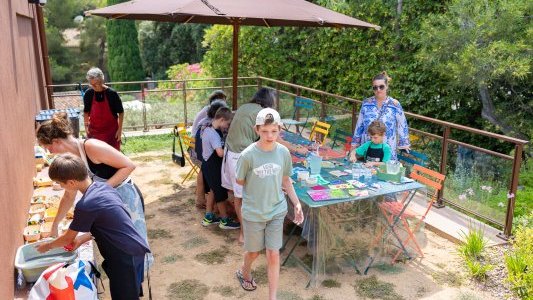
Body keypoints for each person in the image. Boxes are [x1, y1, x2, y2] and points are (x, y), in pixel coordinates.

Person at [36, 112, 153, 270]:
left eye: (48, 147)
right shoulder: (71, 159)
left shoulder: (91, 147)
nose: (49, 153)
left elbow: (129, 165)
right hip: (106, 199)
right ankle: (130, 280)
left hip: (125, 196)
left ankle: (137, 279)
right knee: (116, 246)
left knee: (132, 245)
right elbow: (68, 195)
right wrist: (55, 224)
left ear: (56, 141)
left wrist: (100, 191)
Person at [36, 154, 150, 299]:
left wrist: (47, 246)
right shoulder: (103, 188)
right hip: (131, 249)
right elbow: (109, 225)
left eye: (61, 184)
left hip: (124, 256)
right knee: (128, 293)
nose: (61, 187)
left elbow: (66, 239)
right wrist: (82, 239)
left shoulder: (86, 205)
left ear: (71, 183)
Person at [222, 88, 308, 243]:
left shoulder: (244, 107)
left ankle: (248, 233)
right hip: (241, 156)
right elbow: (277, 140)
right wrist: (297, 148)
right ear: (269, 102)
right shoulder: (262, 114)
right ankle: (246, 234)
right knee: (245, 197)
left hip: (230, 153)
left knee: (239, 196)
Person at [235, 108, 304, 298]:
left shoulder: (283, 153)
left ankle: (272, 297)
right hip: (254, 212)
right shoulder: (247, 155)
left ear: (280, 129)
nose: (269, 135)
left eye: (274, 131)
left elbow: (286, 180)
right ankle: (244, 271)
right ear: (256, 129)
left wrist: (296, 203)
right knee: (254, 252)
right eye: (264, 131)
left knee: (273, 253)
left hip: (276, 210)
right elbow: (240, 181)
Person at [351, 71, 410, 160]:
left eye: (381, 87)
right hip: (369, 145)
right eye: (375, 87)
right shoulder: (366, 103)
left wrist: (404, 143)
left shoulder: (394, 104)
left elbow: (402, 124)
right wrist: (355, 144)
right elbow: (360, 124)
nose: (378, 90)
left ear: (387, 86)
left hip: (387, 146)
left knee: (384, 170)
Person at [200, 106, 240, 229]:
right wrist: (230, 148)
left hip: (207, 165)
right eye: (227, 124)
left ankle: (209, 216)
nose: (227, 127)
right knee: (220, 193)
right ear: (222, 119)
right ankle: (224, 220)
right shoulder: (213, 134)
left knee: (213, 189)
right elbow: (220, 153)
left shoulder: (207, 127)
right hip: (212, 166)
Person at [193, 99, 229, 209]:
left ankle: (207, 209)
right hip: (208, 162)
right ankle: (222, 214)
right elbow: (219, 152)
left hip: (203, 158)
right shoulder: (213, 131)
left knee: (214, 189)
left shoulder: (205, 124)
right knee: (219, 191)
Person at [83, 67, 124, 150]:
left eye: (96, 84)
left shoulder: (112, 94)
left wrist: (119, 131)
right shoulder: (88, 94)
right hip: (94, 133)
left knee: (112, 158)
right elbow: (86, 112)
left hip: (111, 133)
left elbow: (121, 112)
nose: (94, 86)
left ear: (102, 80)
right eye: (92, 84)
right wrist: (86, 126)